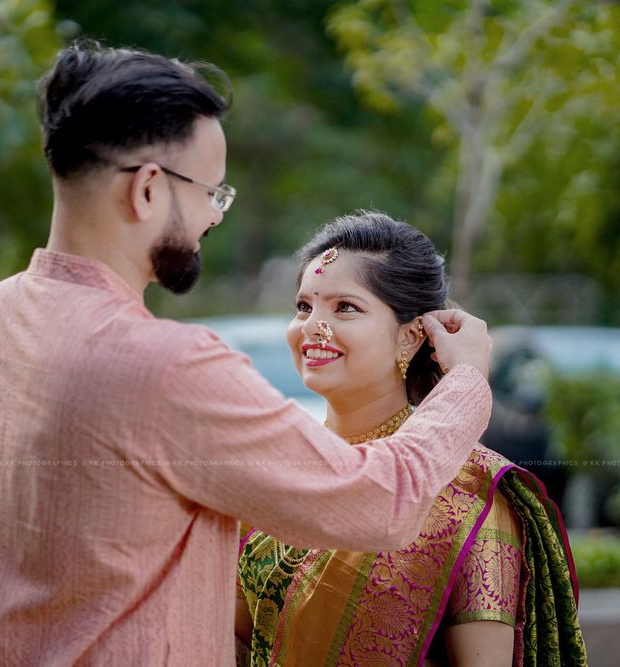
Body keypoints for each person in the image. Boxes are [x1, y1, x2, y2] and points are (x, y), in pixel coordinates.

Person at [0, 42, 495, 665]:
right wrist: (467, 381)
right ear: (149, 191)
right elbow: (383, 501)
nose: (214, 217)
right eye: (212, 192)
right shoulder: (165, 367)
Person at [235, 212, 587, 667]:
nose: (311, 328)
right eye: (305, 306)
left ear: (412, 335)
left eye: (345, 307)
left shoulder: (470, 496)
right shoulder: (278, 468)